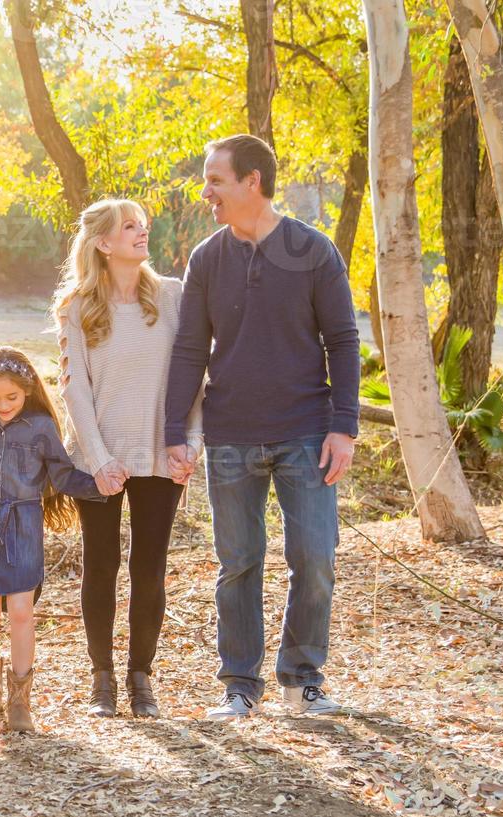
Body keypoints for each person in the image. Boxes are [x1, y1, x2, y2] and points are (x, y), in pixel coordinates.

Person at [164, 134, 360, 721]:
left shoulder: (312, 250)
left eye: (216, 180)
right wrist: (178, 428)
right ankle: (240, 685)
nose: (207, 193)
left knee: (315, 556)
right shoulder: (207, 258)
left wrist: (344, 425)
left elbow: (344, 340)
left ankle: (303, 680)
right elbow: (191, 347)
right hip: (231, 433)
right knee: (240, 561)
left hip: (306, 429)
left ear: (253, 182)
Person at [55, 199, 202, 719]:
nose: (143, 232)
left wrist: (192, 443)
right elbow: (74, 391)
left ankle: (142, 678)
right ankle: (102, 680)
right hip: (98, 457)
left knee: (149, 567)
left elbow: (194, 378)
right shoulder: (77, 307)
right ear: (103, 243)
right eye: (130, 227)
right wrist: (97, 460)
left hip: (162, 454)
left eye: (142, 224)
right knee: (100, 565)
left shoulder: (173, 297)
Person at [0, 347, 107, 732]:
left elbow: (62, 475)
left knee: (22, 611)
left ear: (26, 391)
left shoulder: (41, 427)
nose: (3, 405)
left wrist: (101, 487)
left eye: (11, 397)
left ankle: (20, 701)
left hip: (23, 524)